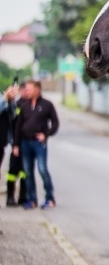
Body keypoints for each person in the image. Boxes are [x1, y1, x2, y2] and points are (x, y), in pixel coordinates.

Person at [13, 80, 59, 209]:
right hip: (25, 142)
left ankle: (50, 198)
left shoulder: (47, 105)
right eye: (26, 89)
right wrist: (16, 145)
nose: (27, 91)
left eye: (30, 89)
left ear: (37, 89)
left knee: (42, 169)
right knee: (27, 171)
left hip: (39, 143)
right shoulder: (24, 105)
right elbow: (18, 126)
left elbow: (55, 123)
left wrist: (46, 134)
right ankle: (32, 199)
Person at [1, 82, 27, 207]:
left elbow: (11, 116)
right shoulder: (2, 98)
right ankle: (10, 197)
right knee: (12, 171)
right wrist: (5, 99)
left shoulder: (7, 99)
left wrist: (10, 101)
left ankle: (22, 197)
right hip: (8, 142)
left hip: (2, 143)